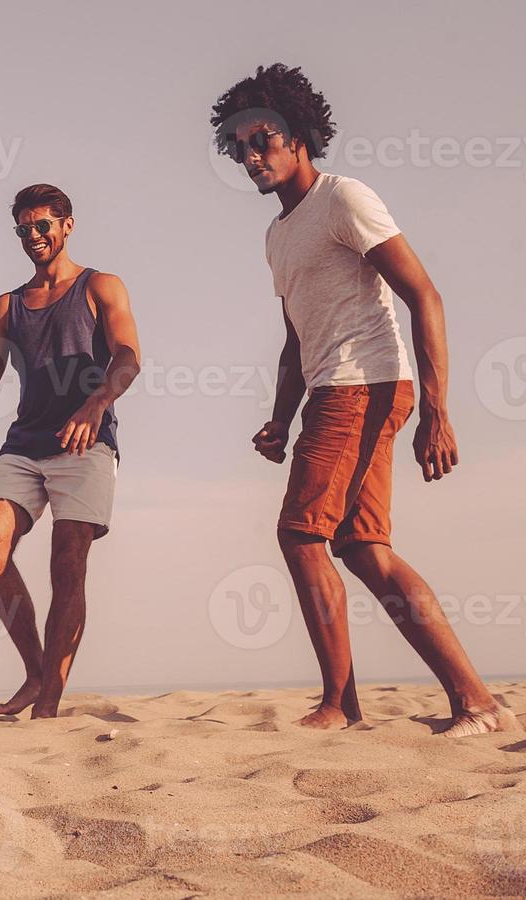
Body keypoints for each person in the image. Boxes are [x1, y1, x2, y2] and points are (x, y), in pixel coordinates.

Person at [210, 63, 519, 736]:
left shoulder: (341, 199)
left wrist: (437, 411)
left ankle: (340, 706)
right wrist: (276, 419)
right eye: (238, 145)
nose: (250, 155)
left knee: (299, 535)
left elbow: (423, 295)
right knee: (360, 547)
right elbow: (296, 340)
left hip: (363, 383)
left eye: (262, 138)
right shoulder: (278, 234)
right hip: (331, 386)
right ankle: (476, 702)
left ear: (298, 135)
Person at [0, 183, 141, 719]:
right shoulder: (6, 306)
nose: (33, 237)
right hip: (26, 443)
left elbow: (128, 355)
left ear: (67, 224)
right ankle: (34, 672)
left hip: (87, 442)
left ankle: (49, 701)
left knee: (68, 563)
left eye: (42, 226)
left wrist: (97, 404)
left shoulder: (101, 285)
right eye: (23, 229)